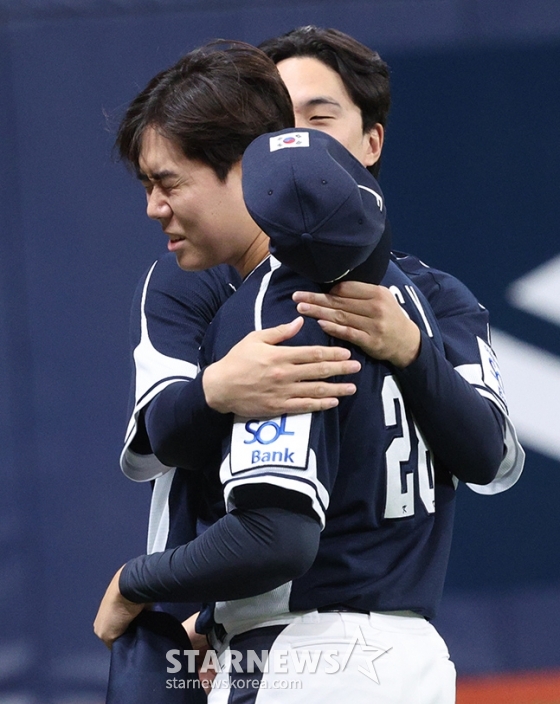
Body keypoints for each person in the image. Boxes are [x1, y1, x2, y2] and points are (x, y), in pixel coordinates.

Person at [93, 39, 507, 702]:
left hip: (304, 659)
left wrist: (136, 581)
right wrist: (217, 390)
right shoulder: (404, 295)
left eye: (167, 183)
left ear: (247, 166)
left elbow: (276, 535)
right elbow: (164, 438)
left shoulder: (276, 305)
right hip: (412, 658)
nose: (153, 208)